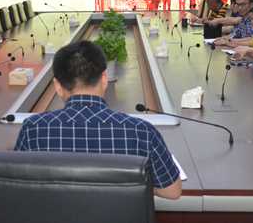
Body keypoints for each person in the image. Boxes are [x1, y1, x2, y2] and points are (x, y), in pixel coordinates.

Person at [14, 40, 182, 199]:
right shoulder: (141, 131)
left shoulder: (33, 129)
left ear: (57, 86)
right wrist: (133, 184)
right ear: (104, 79)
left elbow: (17, 187)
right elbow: (172, 192)